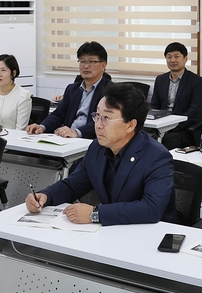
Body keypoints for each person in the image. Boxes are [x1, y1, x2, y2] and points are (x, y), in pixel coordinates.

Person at [25, 83, 179, 226]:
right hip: (115, 230)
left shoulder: (157, 157)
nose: (97, 125)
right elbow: (73, 185)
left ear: (130, 125)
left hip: (155, 234)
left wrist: (95, 214)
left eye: (106, 118)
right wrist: (45, 196)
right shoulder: (97, 147)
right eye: (97, 116)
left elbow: (151, 209)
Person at [26, 41, 111, 139]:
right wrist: (42, 126)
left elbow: (104, 122)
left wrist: (77, 132)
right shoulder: (72, 89)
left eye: (91, 62)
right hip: (68, 139)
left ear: (103, 65)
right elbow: (58, 115)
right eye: (82, 61)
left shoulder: (110, 91)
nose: (86, 66)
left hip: (92, 141)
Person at [150, 42, 202, 149]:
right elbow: (154, 106)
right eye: (169, 57)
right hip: (161, 126)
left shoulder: (196, 81)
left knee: (169, 139)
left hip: (184, 128)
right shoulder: (160, 80)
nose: (172, 60)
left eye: (177, 56)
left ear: (185, 58)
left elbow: (194, 113)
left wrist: (172, 127)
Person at [0, 54, 32, 130]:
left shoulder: (23, 96)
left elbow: (20, 130)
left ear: (13, 73)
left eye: (3, 70)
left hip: (14, 140)